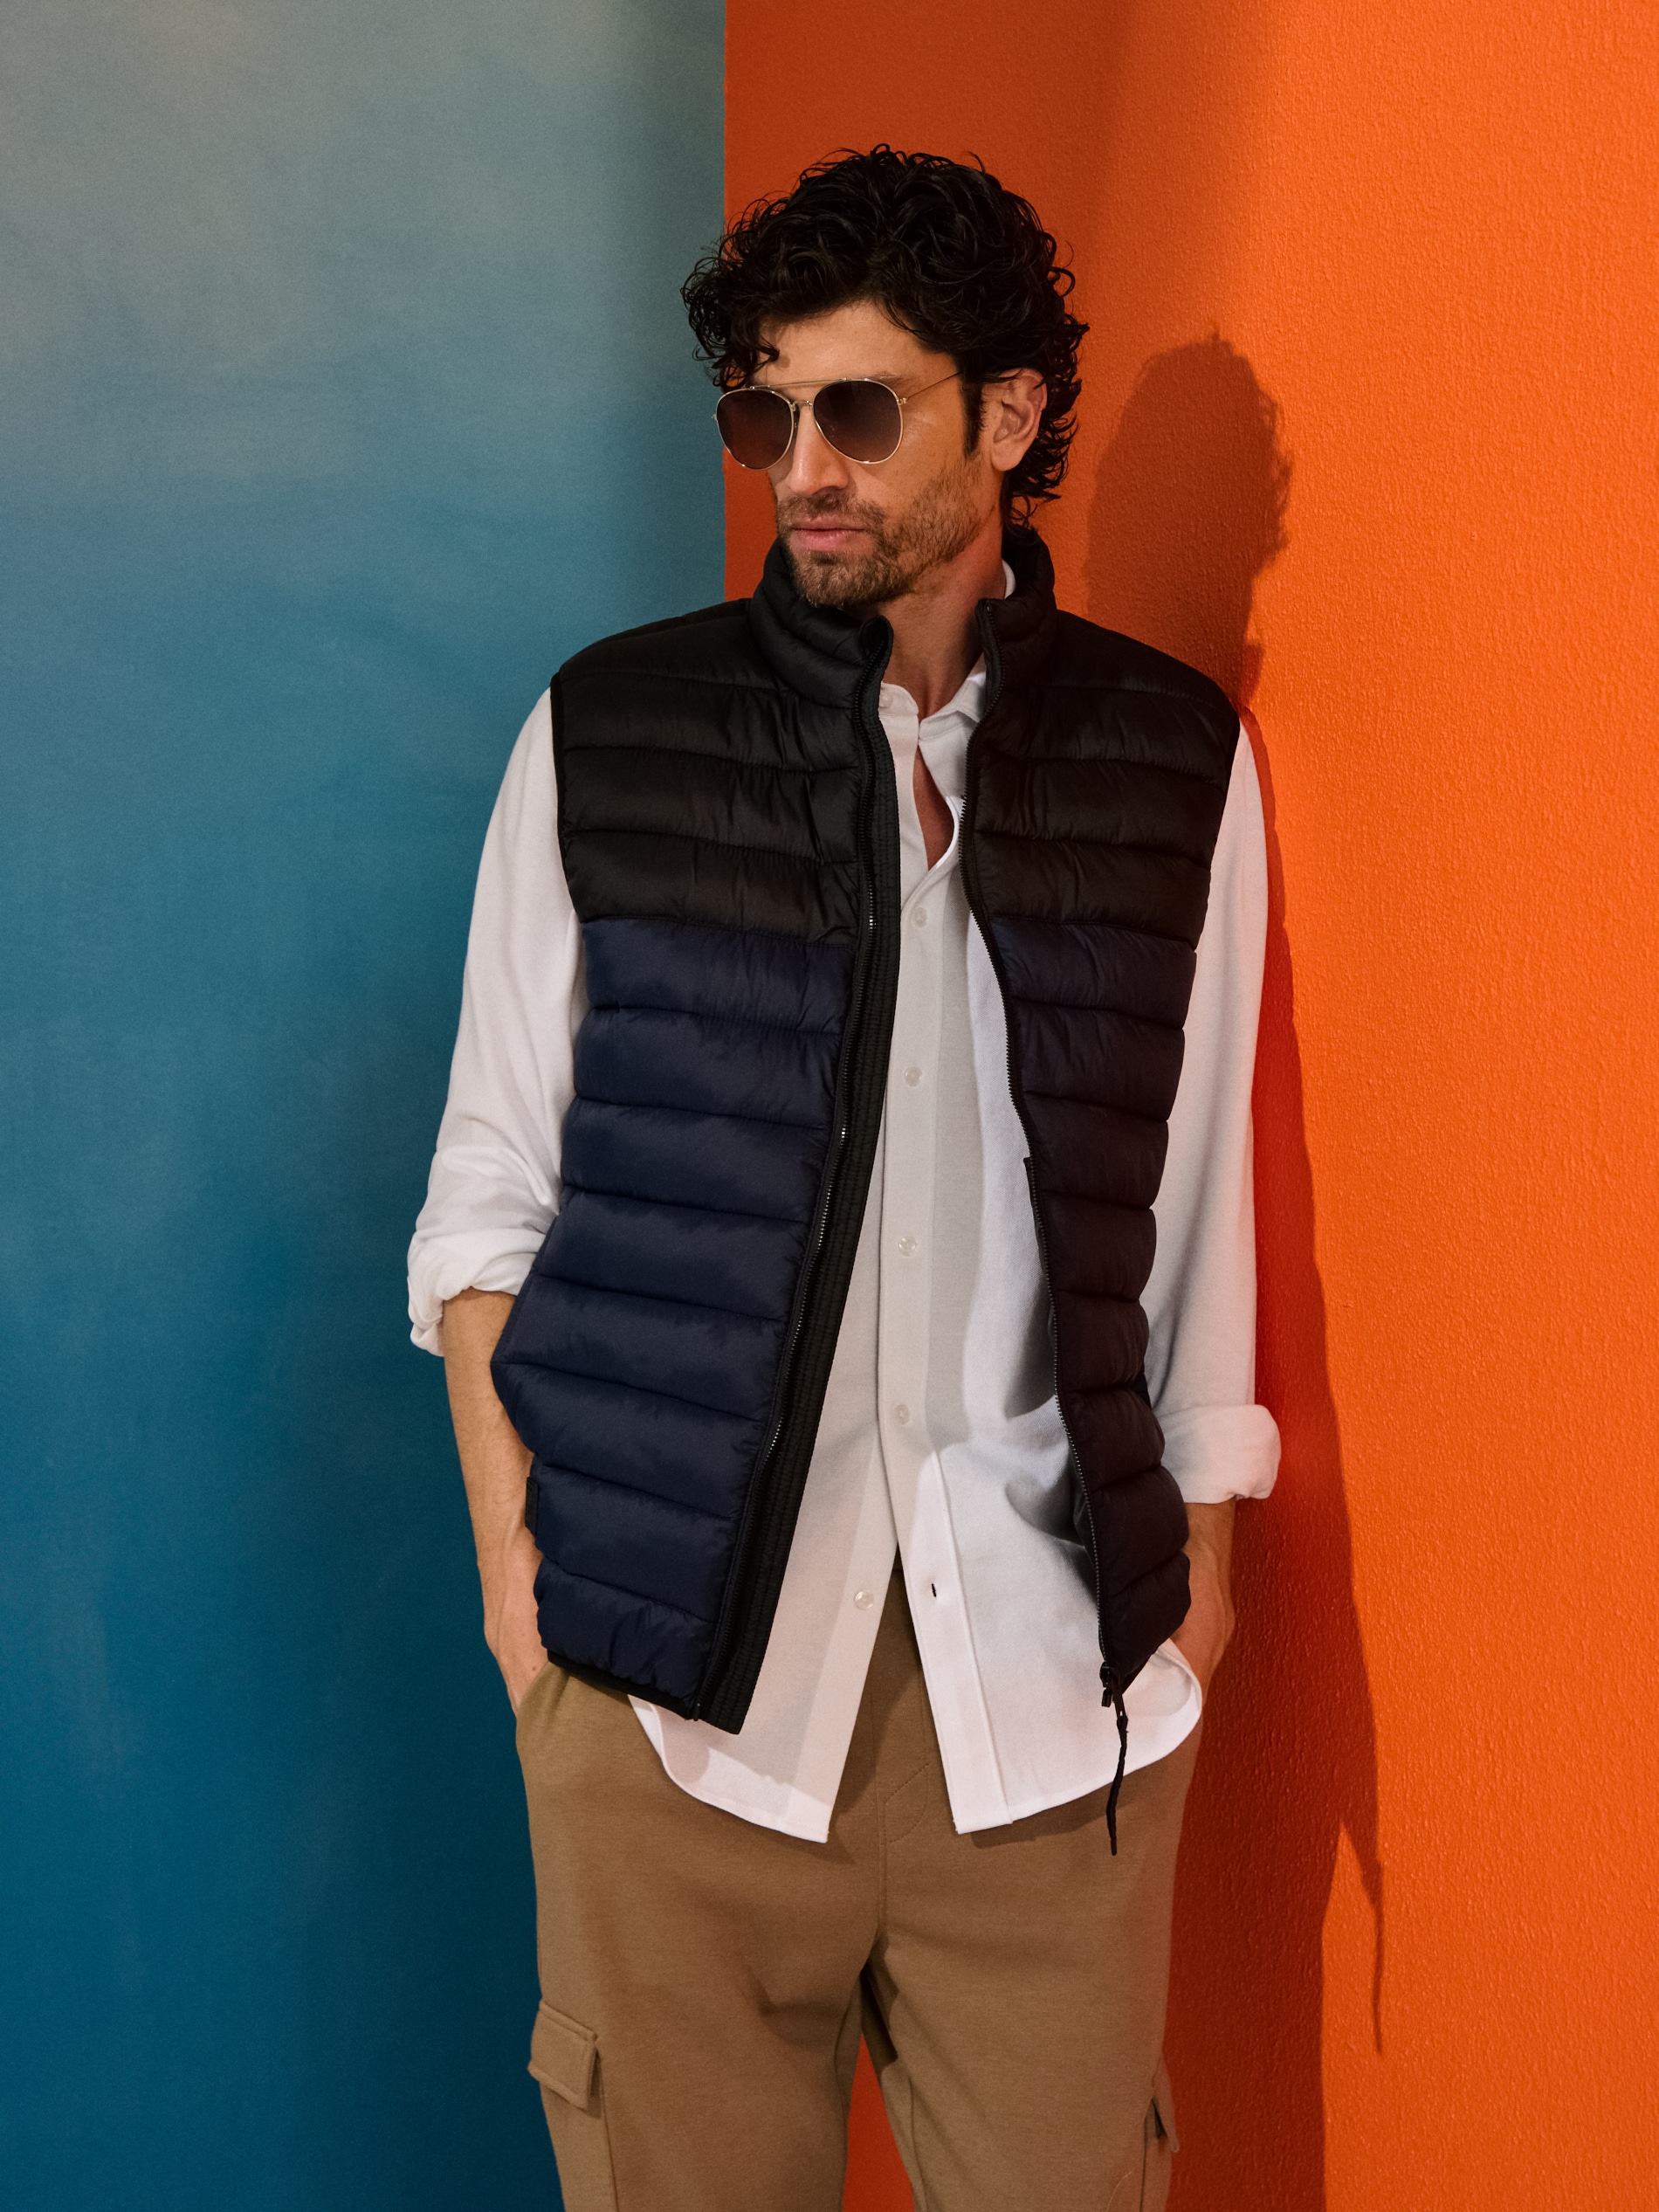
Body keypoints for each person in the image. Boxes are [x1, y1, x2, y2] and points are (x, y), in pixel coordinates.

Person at [409, 145, 1279, 2212]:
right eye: (763, 415)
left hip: (1046, 1717)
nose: (799, 468)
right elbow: (488, 1194)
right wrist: (523, 1597)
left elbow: (1191, 1226)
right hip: (670, 1711)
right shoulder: (608, 733)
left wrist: (1194, 1598)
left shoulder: (1172, 763)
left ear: (1006, 414)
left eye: (857, 411)